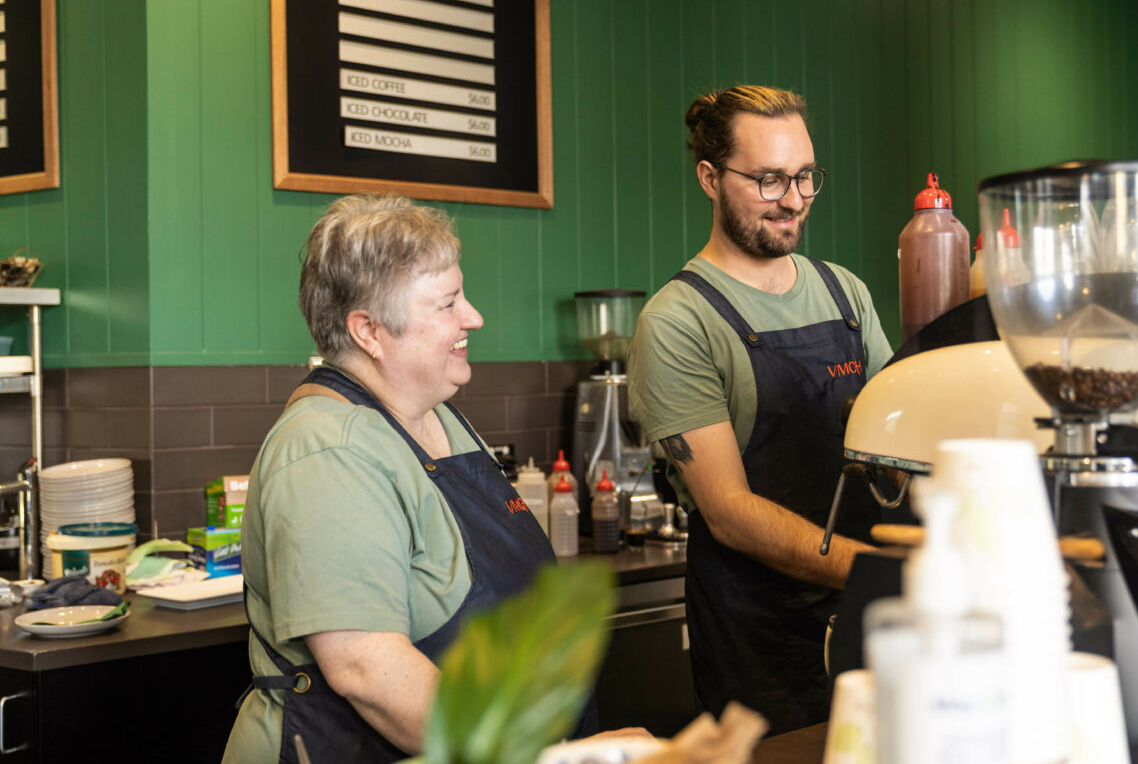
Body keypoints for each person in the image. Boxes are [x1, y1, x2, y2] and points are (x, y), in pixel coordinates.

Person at [222, 195, 597, 763]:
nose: (473, 317)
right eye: (448, 303)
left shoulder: (437, 415)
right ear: (369, 331)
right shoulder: (329, 453)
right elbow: (368, 672)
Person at [626, 86, 894, 735]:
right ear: (710, 178)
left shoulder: (845, 293)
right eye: (770, 180)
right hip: (760, 645)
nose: (796, 199)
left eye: (805, 177)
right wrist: (884, 573)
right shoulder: (678, 321)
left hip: (870, 621)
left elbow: (896, 439)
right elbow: (732, 514)